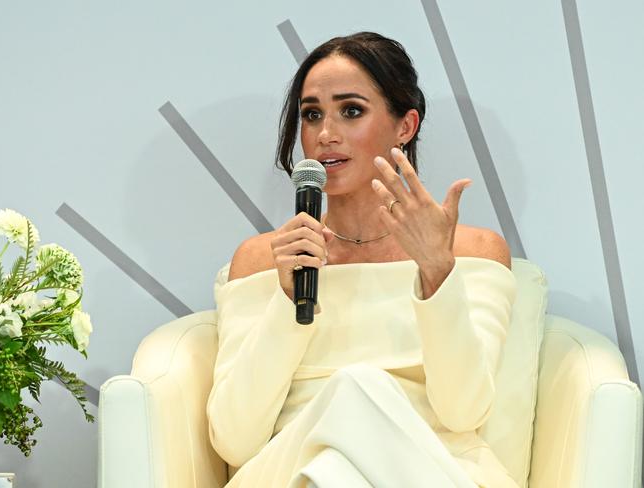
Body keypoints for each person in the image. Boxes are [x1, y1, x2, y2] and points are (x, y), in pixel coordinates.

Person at [207, 32, 518, 488]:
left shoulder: (472, 252)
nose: (325, 135)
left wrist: (436, 272)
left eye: (350, 111)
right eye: (312, 115)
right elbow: (234, 440)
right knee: (352, 391)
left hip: (432, 468)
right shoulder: (265, 259)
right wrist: (288, 302)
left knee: (357, 395)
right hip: (291, 469)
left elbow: (463, 411)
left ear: (405, 126)